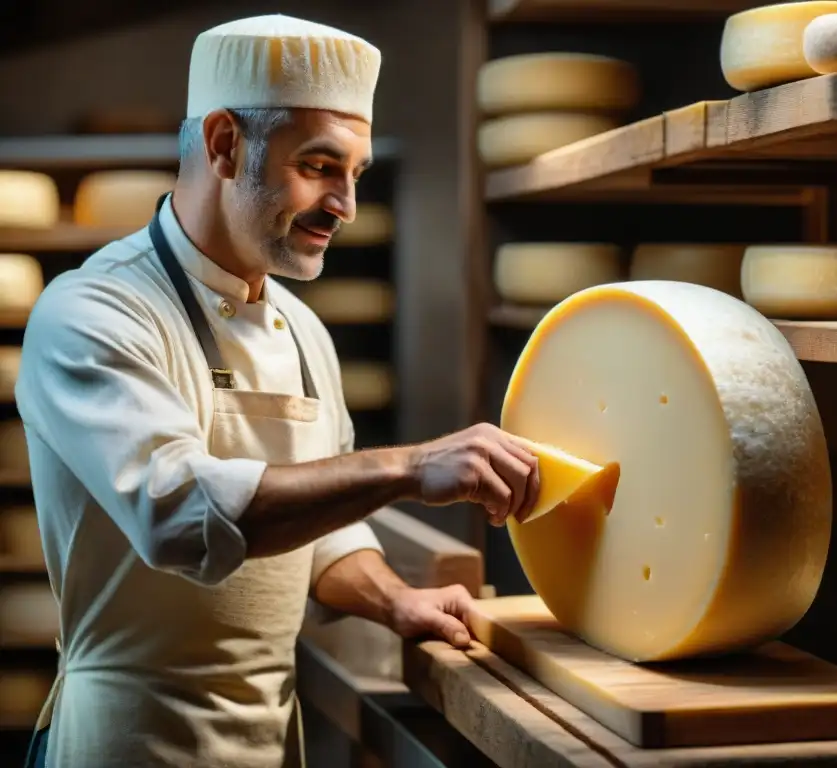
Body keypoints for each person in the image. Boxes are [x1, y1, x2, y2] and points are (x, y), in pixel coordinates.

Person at [14, 14, 539, 768]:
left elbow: (322, 527)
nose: (346, 205)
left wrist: (397, 602)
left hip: (267, 739)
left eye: (354, 174)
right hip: (129, 739)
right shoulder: (92, 312)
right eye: (321, 166)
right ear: (225, 144)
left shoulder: (301, 331)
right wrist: (410, 468)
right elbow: (178, 514)